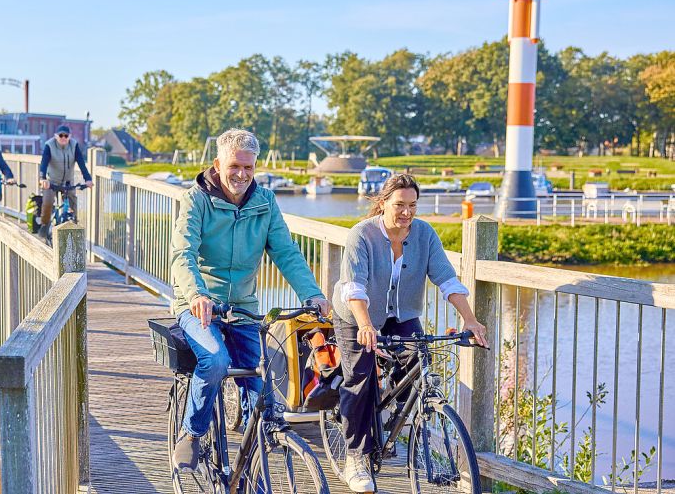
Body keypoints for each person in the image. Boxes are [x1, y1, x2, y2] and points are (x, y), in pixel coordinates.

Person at [169, 128, 331, 470]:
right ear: (218, 163)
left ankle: (251, 467)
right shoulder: (195, 199)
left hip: (243, 307)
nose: (241, 174)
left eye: (249, 168)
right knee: (214, 360)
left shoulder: (265, 201)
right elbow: (182, 254)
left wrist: (312, 293)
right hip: (197, 305)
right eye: (234, 167)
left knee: (262, 389)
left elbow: (286, 252)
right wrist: (197, 294)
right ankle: (192, 433)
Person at [330, 174, 489, 492]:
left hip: (401, 315)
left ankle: (389, 416)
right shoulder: (362, 235)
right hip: (356, 312)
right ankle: (355, 458)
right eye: (399, 204)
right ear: (383, 202)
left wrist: (470, 319)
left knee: (417, 361)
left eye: (412, 205)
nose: (406, 212)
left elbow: (446, 279)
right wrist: (364, 325)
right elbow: (355, 285)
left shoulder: (424, 234)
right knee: (360, 379)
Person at [37, 125, 93, 238]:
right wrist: (42, 178)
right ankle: (44, 225)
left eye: (66, 136)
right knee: (47, 202)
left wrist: (88, 179)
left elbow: (81, 163)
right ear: (56, 136)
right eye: (60, 135)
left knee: (73, 203)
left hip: (68, 182)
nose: (63, 138)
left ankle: (74, 228)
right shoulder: (49, 145)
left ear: (70, 137)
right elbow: (43, 163)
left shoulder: (74, 145)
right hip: (51, 181)